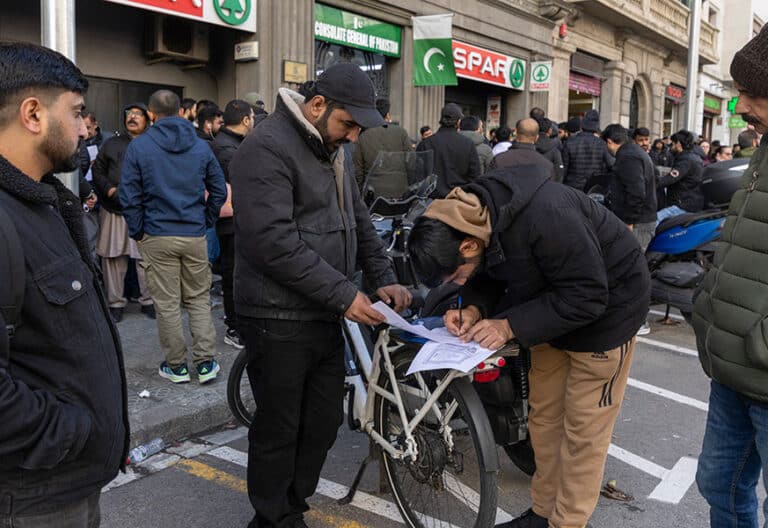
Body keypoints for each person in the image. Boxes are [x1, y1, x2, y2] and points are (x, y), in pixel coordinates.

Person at [407, 163, 650, 528]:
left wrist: (508, 326)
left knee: (583, 433)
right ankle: (541, 512)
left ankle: (565, 522)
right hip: (548, 316)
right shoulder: (477, 218)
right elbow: (490, 269)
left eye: (457, 275)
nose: (459, 280)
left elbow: (588, 295)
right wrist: (473, 306)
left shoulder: (547, 216)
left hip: (607, 318)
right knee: (545, 421)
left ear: (468, 244)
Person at [229, 62, 411, 528]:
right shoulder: (265, 147)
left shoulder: (335, 149)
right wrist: (345, 294)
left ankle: (291, 506)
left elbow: (360, 221)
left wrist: (382, 274)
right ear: (316, 105)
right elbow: (272, 243)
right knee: (280, 427)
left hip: (324, 308)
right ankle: (273, 518)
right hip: (276, 314)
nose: (353, 137)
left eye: (357, 129)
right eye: (347, 124)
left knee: (322, 423)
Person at [0, 41, 129, 528]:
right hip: (30, 498)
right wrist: (73, 431)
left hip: (66, 484)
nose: (84, 128)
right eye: (76, 113)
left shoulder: (44, 202)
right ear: (33, 114)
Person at [692, 25, 768, 527]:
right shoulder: (763, 149)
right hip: (733, 366)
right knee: (719, 482)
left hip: (762, 360)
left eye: (752, 91)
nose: (740, 104)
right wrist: (708, 309)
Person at [120, 89, 227, 384]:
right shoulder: (201, 146)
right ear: (182, 112)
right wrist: (205, 220)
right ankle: (206, 363)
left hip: (157, 233)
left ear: (151, 114)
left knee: (166, 304)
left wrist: (138, 230)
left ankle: (177, 366)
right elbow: (219, 190)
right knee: (198, 299)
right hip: (193, 232)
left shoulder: (140, 147)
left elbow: (129, 195)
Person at [91, 103, 155, 322]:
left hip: (145, 210)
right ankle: (115, 303)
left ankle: (149, 301)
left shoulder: (154, 144)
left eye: (138, 114)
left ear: (148, 119)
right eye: (129, 114)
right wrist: (109, 188)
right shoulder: (111, 144)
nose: (133, 117)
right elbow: (97, 170)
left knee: (146, 259)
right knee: (112, 259)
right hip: (114, 209)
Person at [212, 99, 254, 349]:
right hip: (231, 222)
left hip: (238, 219)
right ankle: (234, 326)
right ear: (246, 120)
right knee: (233, 275)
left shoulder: (233, 144)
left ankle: (238, 322)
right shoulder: (227, 149)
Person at [416, 103, 480, 198]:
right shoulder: (468, 144)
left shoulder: (425, 144)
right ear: (458, 122)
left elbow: (417, 174)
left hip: (430, 201)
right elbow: (475, 175)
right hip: (457, 199)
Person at [352, 97, 412, 189]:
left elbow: (358, 171)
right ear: (387, 115)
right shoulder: (401, 133)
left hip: (373, 194)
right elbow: (411, 162)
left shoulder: (363, 136)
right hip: (400, 192)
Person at [656, 129, 705, 220]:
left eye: (673, 143)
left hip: (683, 203)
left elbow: (672, 177)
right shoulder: (695, 157)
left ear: (678, 143)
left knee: (655, 220)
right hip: (691, 201)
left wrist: (653, 184)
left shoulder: (685, 159)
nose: (671, 146)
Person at [562, 109, 613, 192]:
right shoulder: (602, 144)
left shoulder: (569, 142)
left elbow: (564, 169)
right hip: (593, 188)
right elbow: (610, 164)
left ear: (582, 125)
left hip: (572, 187)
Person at [534, 117, 565, 182]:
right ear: (550, 131)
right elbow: (559, 171)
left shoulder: (530, 145)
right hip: (549, 184)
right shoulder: (555, 148)